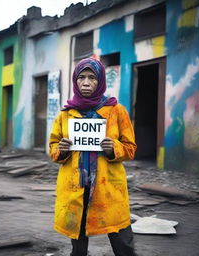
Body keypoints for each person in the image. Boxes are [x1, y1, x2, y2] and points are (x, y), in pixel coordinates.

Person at [49, 58, 137, 256]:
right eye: (81, 78)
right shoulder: (66, 114)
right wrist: (61, 149)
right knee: (78, 246)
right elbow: (53, 147)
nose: (86, 83)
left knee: (123, 243)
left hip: (108, 189)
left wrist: (113, 147)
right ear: (75, 81)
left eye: (92, 78)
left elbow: (130, 148)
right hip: (76, 188)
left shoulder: (116, 111)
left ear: (101, 81)